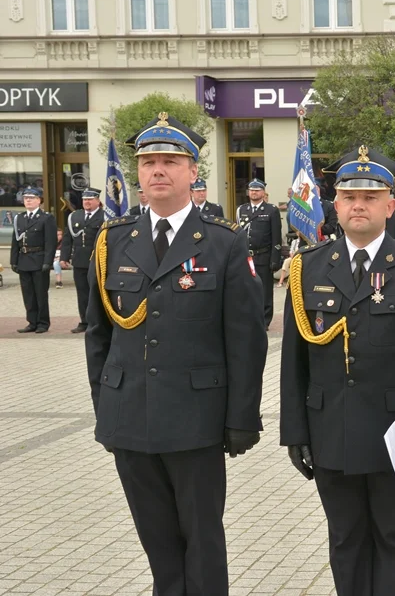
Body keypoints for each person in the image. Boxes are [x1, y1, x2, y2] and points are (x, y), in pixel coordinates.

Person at [85, 112, 266, 596]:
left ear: (192, 171)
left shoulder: (225, 242)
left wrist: (241, 417)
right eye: (148, 162)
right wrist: (106, 408)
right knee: (157, 542)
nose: (157, 170)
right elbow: (97, 336)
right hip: (132, 417)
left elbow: (246, 340)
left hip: (196, 421)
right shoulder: (113, 241)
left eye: (169, 161)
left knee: (202, 540)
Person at [279, 144, 395, 596]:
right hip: (329, 430)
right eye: (349, 196)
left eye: (371, 196)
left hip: (394, 436)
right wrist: (294, 432)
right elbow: (293, 364)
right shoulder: (306, 269)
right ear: (334, 204)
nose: (359, 204)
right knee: (345, 540)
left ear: (391, 204)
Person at [10, 187, 57, 333]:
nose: (28, 200)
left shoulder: (46, 218)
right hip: (24, 260)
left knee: (40, 294)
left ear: (39, 200)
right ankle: (32, 322)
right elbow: (15, 241)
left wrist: (47, 262)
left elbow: (51, 242)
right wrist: (14, 261)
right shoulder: (20, 218)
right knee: (28, 294)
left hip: (39, 260)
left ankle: (43, 323)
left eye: (31, 198)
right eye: (26, 198)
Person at [237, 179, 283, 329]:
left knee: (264, 290)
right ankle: (249, 317)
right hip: (246, 256)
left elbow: (276, 236)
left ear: (263, 192)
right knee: (246, 288)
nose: (254, 192)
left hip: (263, 255)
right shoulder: (241, 210)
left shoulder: (271, 210)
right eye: (251, 190)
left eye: (257, 190)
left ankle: (264, 320)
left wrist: (275, 259)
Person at [59, 186, 104, 333]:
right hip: (79, 261)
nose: (87, 202)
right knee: (82, 293)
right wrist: (64, 257)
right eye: (85, 199)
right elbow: (67, 239)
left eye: (90, 199)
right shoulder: (75, 216)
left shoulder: (105, 216)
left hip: (97, 261)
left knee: (97, 293)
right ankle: (84, 321)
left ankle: (98, 322)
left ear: (98, 200)